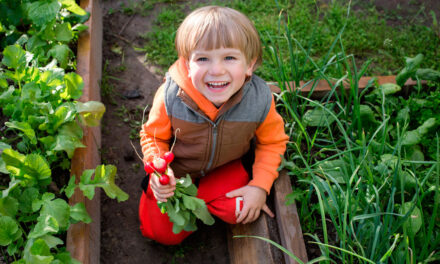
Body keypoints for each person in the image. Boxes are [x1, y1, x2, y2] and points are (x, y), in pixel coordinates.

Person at [138, 5, 288, 245]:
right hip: (179, 174)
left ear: (250, 64)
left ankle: (205, 202)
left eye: (229, 57)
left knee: (242, 210)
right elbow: (152, 137)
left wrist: (260, 187)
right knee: (161, 234)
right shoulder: (170, 97)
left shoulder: (259, 100)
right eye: (203, 59)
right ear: (187, 65)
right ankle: (194, 203)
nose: (216, 70)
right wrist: (159, 170)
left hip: (224, 170)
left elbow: (272, 142)